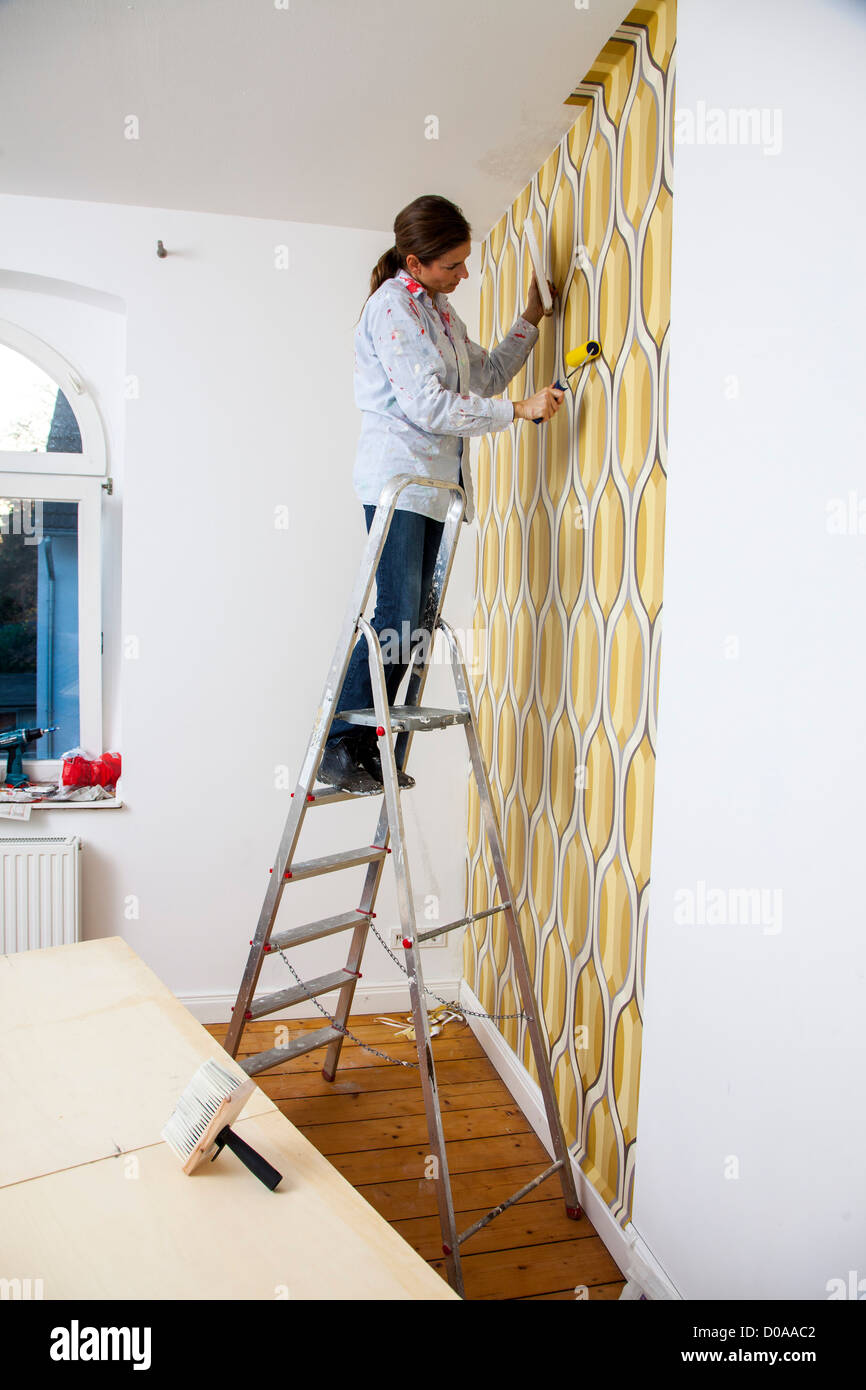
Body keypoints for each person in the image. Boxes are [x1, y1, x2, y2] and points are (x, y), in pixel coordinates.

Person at [317, 193, 564, 793]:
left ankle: (371, 745)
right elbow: (427, 405)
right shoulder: (393, 311)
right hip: (397, 482)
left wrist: (530, 319)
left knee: (418, 623)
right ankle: (340, 743)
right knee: (397, 617)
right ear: (415, 261)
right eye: (453, 265)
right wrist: (518, 411)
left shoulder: (440, 313)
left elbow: (484, 374)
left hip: (434, 490)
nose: (464, 274)